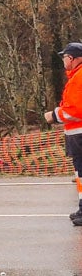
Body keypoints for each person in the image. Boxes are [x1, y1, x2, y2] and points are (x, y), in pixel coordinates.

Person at [43, 41, 82, 226]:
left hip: (79, 133)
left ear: (72, 59)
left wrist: (54, 115)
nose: (63, 61)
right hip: (76, 133)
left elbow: (74, 110)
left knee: (81, 173)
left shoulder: (78, 78)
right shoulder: (75, 77)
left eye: (65, 57)